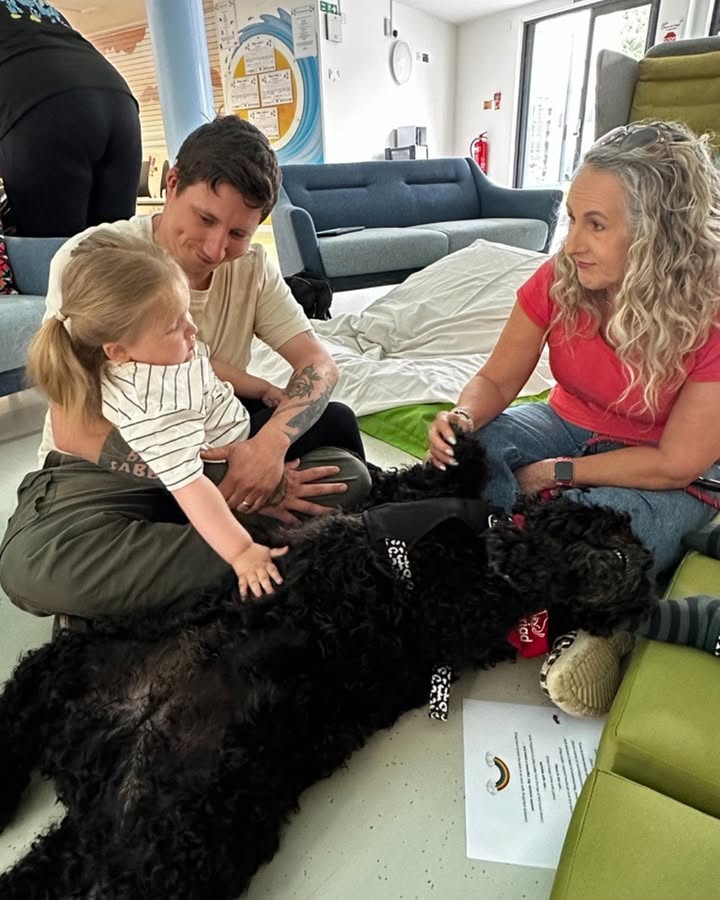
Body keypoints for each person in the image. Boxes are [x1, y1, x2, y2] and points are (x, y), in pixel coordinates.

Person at [0, 114, 371, 620]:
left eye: (239, 232)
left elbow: (317, 364)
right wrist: (219, 484)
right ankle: (244, 550)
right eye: (205, 219)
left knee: (347, 473)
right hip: (104, 473)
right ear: (172, 183)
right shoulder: (96, 259)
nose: (217, 249)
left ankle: (175, 572)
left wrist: (268, 450)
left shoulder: (252, 269)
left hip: (210, 449)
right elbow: (76, 429)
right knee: (34, 564)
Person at [428, 120, 720, 716]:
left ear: (659, 235)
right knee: (479, 452)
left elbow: (675, 463)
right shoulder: (560, 277)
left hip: (665, 468)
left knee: (603, 529)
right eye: (571, 219)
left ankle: (599, 628)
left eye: (596, 225)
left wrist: (560, 473)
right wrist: (460, 417)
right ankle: (551, 598)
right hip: (567, 420)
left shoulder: (711, 309)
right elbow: (498, 380)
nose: (571, 243)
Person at [28, 231, 291, 599]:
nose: (192, 329)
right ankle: (245, 540)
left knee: (338, 423)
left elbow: (206, 361)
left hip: (231, 425)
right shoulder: (153, 409)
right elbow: (191, 486)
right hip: (210, 463)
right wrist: (242, 552)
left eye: (186, 314)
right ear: (118, 352)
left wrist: (260, 387)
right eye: (175, 326)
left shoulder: (165, 351)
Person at [0, 0, 142, 237]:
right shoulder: (32, 6)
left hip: (39, 106)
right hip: (119, 100)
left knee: (55, 258)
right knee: (116, 251)